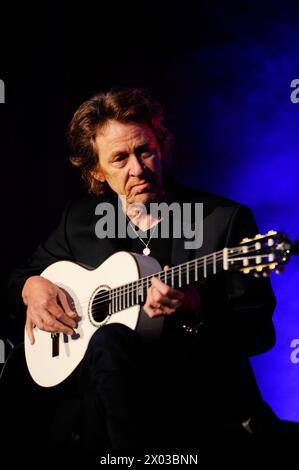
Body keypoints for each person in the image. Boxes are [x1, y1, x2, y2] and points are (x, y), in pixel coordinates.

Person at [4, 88, 278, 451]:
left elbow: (259, 333)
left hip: (192, 404)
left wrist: (194, 314)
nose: (138, 168)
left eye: (145, 150)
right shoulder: (81, 221)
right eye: (119, 159)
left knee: (109, 340)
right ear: (96, 171)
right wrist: (31, 287)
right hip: (96, 411)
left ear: (160, 147)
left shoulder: (223, 222)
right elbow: (19, 278)